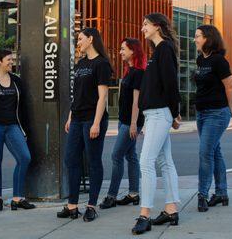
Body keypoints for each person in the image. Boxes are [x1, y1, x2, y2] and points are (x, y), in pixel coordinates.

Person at [132, 13, 182, 235]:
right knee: (165, 161)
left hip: (160, 113)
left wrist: (174, 112)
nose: (142, 28)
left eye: (145, 24)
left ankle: (144, 215)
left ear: (157, 26)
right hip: (155, 114)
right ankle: (171, 209)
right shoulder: (158, 51)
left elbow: (171, 83)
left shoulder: (164, 49)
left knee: (146, 162)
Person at [57, 27, 112, 222]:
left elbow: (102, 96)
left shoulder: (102, 64)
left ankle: (91, 206)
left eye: (80, 39)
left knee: (93, 160)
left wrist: (96, 123)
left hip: (92, 119)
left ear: (90, 39)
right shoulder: (80, 64)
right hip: (77, 118)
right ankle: (72, 206)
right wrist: (71, 117)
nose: (78, 42)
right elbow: (77, 94)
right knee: (71, 159)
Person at [0, 49, 35, 211]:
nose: (11, 62)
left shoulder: (16, 81)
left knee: (25, 157)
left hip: (13, 126)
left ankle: (17, 198)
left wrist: (24, 129)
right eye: (9, 60)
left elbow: (23, 107)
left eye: (12, 60)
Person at [193, 25, 232, 212]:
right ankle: (221, 193)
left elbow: (230, 86)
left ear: (208, 39)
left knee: (205, 153)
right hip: (201, 113)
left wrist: (230, 107)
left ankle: (202, 194)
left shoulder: (219, 61)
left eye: (198, 36)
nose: (195, 39)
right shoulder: (200, 59)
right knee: (215, 152)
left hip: (217, 113)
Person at [100, 38, 146, 209]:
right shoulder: (129, 71)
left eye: (123, 49)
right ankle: (134, 194)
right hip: (123, 120)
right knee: (130, 156)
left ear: (133, 51)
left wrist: (134, 124)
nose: (120, 52)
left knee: (116, 156)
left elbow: (136, 102)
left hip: (130, 122)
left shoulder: (139, 73)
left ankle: (111, 196)